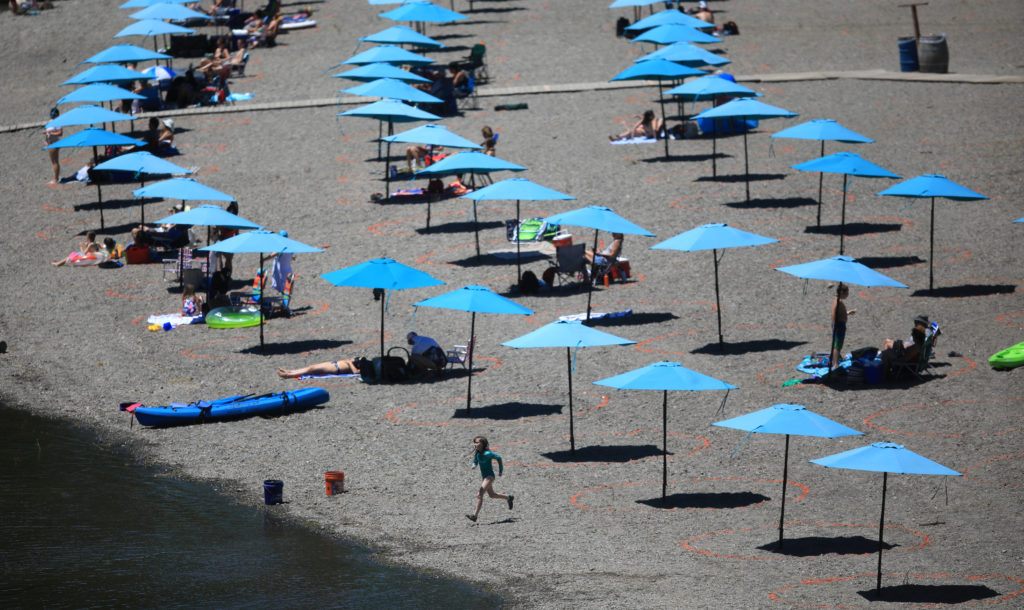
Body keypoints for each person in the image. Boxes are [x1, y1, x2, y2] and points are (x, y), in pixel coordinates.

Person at [466, 436, 513, 522]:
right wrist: (474, 465)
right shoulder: (478, 453)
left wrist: (500, 471)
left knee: (479, 494)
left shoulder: (487, 454)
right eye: (475, 442)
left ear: (483, 444)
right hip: (484, 477)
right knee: (492, 495)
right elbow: (475, 460)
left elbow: (499, 458)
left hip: (490, 477)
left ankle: (474, 516)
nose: (475, 444)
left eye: (477, 442)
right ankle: (508, 497)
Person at [831, 285, 855, 364]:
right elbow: (833, 313)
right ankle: (835, 363)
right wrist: (835, 325)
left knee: (838, 344)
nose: (848, 294)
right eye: (847, 292)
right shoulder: (838, 302)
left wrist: (848, 313)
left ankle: (836, 359)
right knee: (837, 345)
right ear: (842, 292)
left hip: (839, 325)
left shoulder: (838, 300)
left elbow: (839, 313)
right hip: (839, 325)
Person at [278, 358, 360, 379]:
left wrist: (350, 362)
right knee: (310, 367)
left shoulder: (362, 368)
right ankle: (290, 372)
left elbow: (356, 372)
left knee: (311, 370)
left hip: (336, 368)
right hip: (334, 364)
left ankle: (289, 375)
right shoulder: (363, 361)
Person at [44, 107, 63, 185]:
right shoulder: (50, 122)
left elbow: (60, 133)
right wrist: (46, 140)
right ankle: (56, 178)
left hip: (54, 143)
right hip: (50, 142)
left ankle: (56, 179)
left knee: (55, 161)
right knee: (53, 161)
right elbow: (48, 132)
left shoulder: (58, 122)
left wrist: (50, 133)